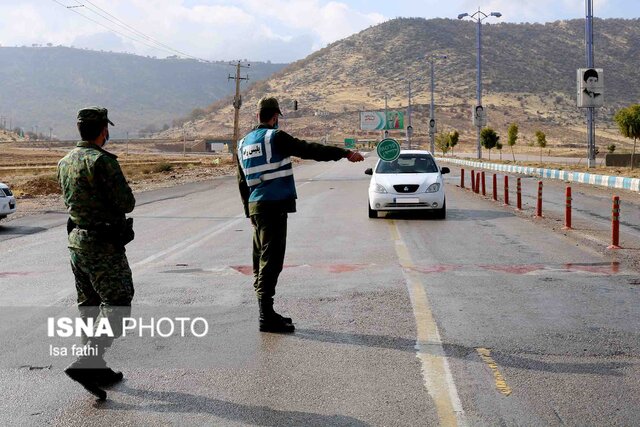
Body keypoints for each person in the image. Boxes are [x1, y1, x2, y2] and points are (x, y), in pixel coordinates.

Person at [237, 96, 364, 333]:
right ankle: (266, 316)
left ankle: (266, 311)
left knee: (260, 259)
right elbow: (309, 149)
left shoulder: (242, 142)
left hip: (256, 208)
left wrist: (250, 212)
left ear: (257, 116)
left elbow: (242, 182)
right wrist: (344, 153)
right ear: (275, 117)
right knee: (271, 260)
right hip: (274, 206)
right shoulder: (275, 137)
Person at [57, 107, 136, 400]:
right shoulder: (102, 162)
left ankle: (96, 366)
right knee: (118, 302)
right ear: (103, 130)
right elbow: (126, 202)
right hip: (102, 244)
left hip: (77, 242)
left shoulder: (64, 161)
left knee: (89, 305)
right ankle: (88, 361)